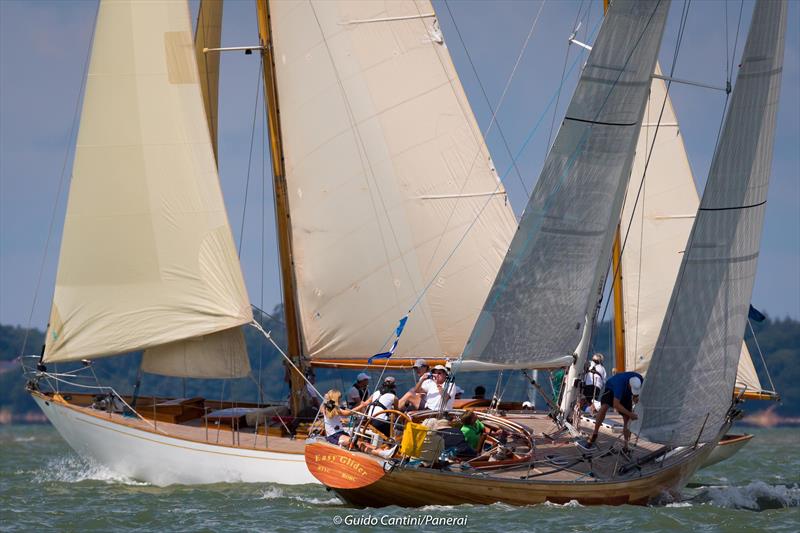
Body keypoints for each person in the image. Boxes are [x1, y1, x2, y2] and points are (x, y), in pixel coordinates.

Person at [587, 371, 643, 452]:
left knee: (627, 419)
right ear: (629, 385)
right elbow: (616, 405)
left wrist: (635, 396)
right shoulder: (619, 385)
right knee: (604, 408)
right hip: (611, 388)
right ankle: (595, 434)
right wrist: (630, 414)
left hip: (626, 392)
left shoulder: (640, 379)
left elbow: (640, 391)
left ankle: (626, 446)